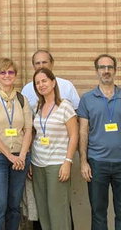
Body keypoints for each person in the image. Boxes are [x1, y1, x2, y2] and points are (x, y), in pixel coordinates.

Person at [77, 54, 121, 230]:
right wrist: (83, 162)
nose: (106, 71)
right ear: (97, 70)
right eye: (102, 67)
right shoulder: (87, 99)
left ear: (115, 70)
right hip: (97, 164)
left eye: (110, 67)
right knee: (98, 213)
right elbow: (83, 132)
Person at [0, 58, 33, 230]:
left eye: (10, 72)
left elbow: (28, 128)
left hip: (20, 157)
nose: (7, 75)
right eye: (3, 72)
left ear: (15, 75)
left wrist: (23, 156)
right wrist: (10, 155)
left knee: (14, 203)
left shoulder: (22, 99)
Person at [30, 68, 78, 230]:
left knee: (58, 210)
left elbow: (74, 136)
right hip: (38, 164)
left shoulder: (65, 106)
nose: (41, 85)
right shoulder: (37, 106)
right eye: (37, 83)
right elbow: (34, 134)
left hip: (57, 164)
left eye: (44, 81)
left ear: (53, 82)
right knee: (43, 211)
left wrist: (68, 162)